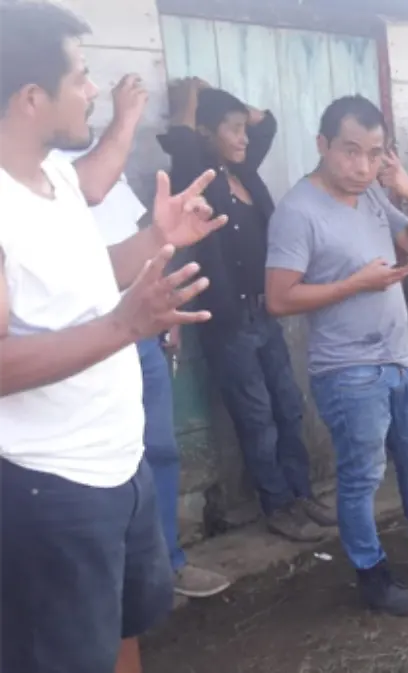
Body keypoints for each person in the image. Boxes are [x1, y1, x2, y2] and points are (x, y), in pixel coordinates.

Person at [0, 5, 228, 672]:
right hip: (51, 485)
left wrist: (157, 238)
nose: (94, 89)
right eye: (80, 76)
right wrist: (125, 326)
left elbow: (85, 279)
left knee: (124, 631)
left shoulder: (55, 179)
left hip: (118, 465)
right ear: (32, 98)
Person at [265, 95, 408, 617]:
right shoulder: (298, 211)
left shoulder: (369, 195)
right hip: (347, 368)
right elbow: (278, 298)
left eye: (374, 154)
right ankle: (371, 573)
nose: (363, 166)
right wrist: (356, 283)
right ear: (323, 145)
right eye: (351, 151)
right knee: (363, 474)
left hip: (398, 356)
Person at [59, 96, 230, 599]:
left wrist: (162, 312)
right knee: (92, 469)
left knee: (157, 450)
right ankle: (113, 584)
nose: (91, 92)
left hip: (138, 333)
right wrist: (128, 114)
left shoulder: (81, 166)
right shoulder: (44, 180)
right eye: (78, 79)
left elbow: (142, 239)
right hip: (78, 343)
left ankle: (164, 564)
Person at [159, 77, 334, 542]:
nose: (244, 137)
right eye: (233, 129)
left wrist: (234, 106)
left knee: (288, 407)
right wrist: (191, 103)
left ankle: (301, 493)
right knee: (257, 418)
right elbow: (183, 141)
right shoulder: (199, 176)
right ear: (205, 134)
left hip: (265, 313)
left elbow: (266, 124)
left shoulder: (245, 172)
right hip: (229, 321)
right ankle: (278, 506)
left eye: (243, 128)